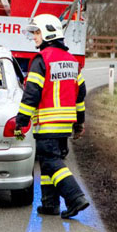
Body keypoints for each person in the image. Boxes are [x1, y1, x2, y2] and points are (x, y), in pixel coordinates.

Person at [14, 14, 89, 219]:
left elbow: (31, 95)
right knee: (49, 163)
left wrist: (21, 121)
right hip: (64, 124)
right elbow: (80, 94)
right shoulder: (72, 61)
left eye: (37, 32)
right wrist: (79, 122)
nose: (34, 37)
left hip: (47, 123)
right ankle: (50, 204)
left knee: (51, 162)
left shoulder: (41, 60)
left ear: (48, 33)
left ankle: (75, 198)